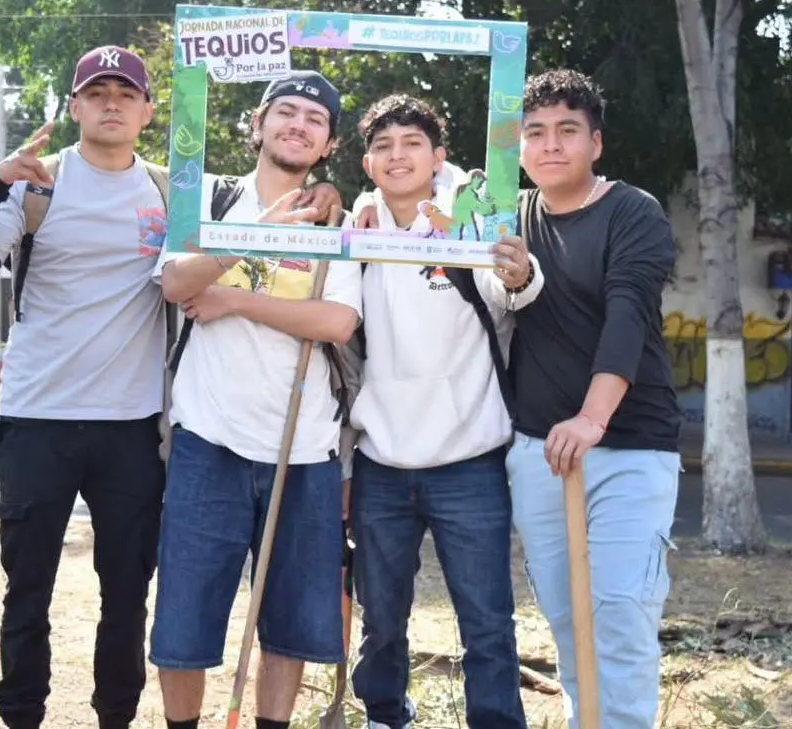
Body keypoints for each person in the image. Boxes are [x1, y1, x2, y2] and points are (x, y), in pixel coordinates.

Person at [0, 44, 170, 729]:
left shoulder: (169, 189)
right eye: (96, 92)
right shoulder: (36, 183)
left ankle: (115, 716)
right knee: (28, 587)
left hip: (131, 424)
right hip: (37, 416)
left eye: (125, 94)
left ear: (147, 111)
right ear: (74, 107)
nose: (110, 103)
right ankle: (21, 715)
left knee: (127, 592)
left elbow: (254, 208)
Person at [149, 70, 360, 729]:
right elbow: (176, 281)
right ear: (258, 123)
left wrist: (237, 299)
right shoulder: (209, 200)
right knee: (183, 618)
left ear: (327, 143)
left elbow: (337, 323)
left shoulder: (338, 221)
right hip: (208, 438)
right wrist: (258, 229)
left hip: (304, 447)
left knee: (293, 621)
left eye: (314, 119)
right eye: (285, 112)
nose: (297, 124)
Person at [343, 94, 540, 729]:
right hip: (381, 461)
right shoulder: (358, 232)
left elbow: (510, 291)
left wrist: (518, 274)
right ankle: (382, 716)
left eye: (412, 144)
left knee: (486, 621)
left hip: (469, 461)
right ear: (369, 164)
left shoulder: (474, 221)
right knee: (381, 619)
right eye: (383, 146)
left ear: (438, 157)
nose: (397, 156)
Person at [504, 69, 681, 729]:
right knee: (567, 615)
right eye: (537, 133)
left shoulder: (632, 212)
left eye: (567, 132)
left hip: (629, 444)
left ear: (596, 143)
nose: (551, 146)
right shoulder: (509, 218)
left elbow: (627, 316)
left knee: (618, 609)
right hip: (537, 451)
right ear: (519, 146)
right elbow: (416, 202)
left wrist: (591, 415)